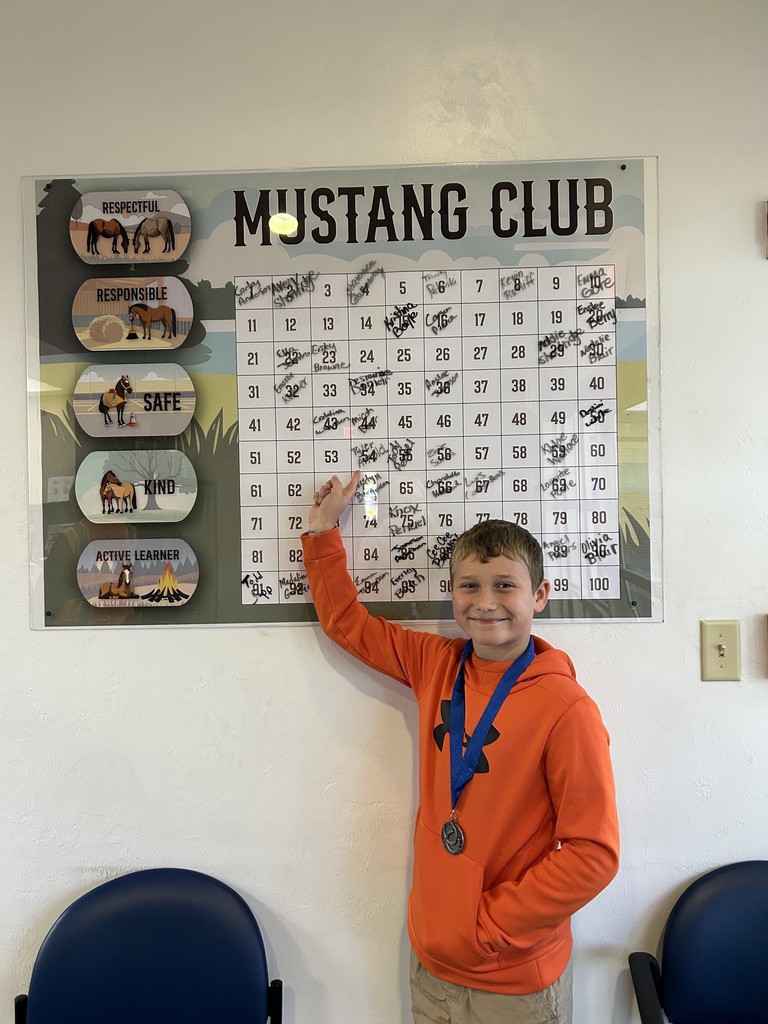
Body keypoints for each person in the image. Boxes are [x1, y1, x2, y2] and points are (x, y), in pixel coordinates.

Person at [302, 471, 619, 1024]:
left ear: (540, 595)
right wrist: (323, 532)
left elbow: (594, 854)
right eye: (469, 585)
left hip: (513, 980)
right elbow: (346, 623)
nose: (485, 601)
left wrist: (488, 929)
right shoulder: (436, 664)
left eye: (504, 585)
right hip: (432, 965)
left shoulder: (566, 709)